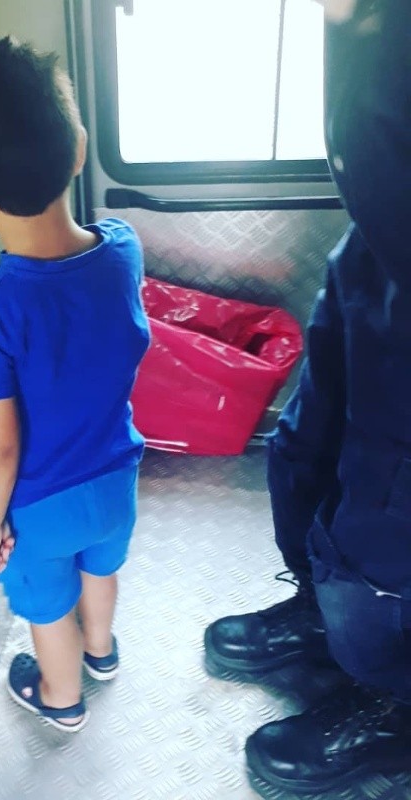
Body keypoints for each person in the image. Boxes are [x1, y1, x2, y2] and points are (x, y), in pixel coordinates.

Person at [204, 0, 411, 792]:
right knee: (307, 449)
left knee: (384, 532)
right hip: (379, 244)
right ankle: (324, 616)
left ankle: (395, 707)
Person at [0, 37, 150, 732]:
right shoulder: (123, 248)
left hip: (40, 507)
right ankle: (102, 651)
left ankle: (60, 696)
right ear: (79, 149)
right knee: (100, 571)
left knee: (47, 608)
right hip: (117, 478)